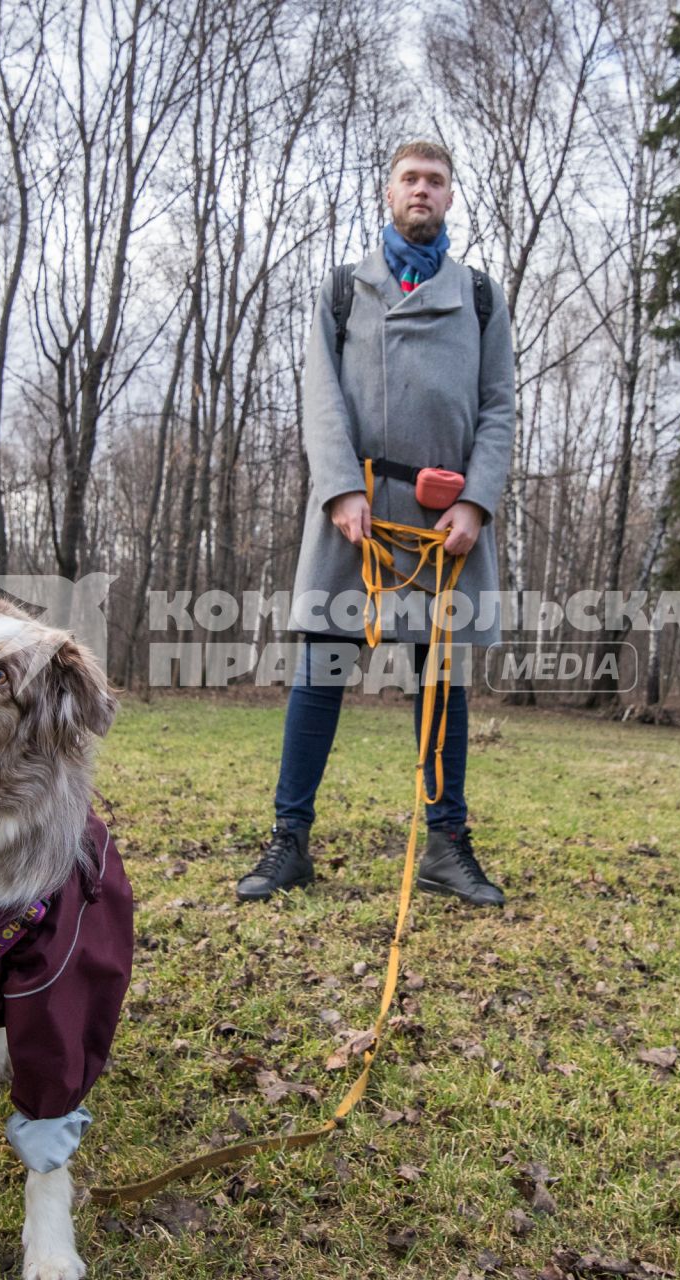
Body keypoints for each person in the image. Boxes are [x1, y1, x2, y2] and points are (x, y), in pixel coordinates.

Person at [236, 140, 513, 909]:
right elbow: (320, 399)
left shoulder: (482, 297)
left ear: (450, 196)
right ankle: (289, 840)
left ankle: (447, 846)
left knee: (442, 684)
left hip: (443, 522)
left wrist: (477, 501)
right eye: (410, 179)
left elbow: (498, 409)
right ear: (388, 193)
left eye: (435, 180)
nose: (422, 191)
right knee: (319, 673)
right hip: (352, 511)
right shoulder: (342, 292)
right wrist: (336, 492)